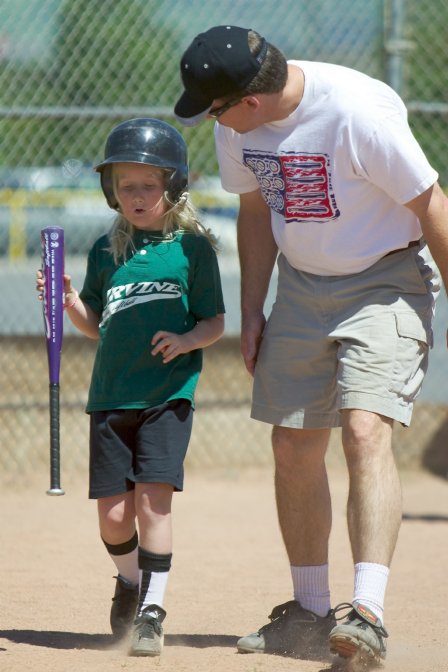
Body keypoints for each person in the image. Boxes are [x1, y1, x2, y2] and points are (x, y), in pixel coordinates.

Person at [174, 25, 448, 665]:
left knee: (364, 429)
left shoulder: (359, 115)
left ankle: (369, 614)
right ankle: (309, 611)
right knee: (292, 442)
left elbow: (432, 205)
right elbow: (254, 212)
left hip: (385, 280)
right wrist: (252, 310)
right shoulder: (237, 128)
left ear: (249, 99)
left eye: (214, 107)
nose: (211, 120)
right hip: (301, 284)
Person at [36, 118, 225, 657]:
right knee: (115, 517)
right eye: (126, 186)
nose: (137, 196)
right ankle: (129, 581)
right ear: (110, 190)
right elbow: (96, 323)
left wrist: (187, 339)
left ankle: (151, 612)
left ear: (173, 186)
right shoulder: (105, 251)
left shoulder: (193, 250)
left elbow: (213, 322)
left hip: (168, 396)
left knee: (153, 504)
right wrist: (68, 300)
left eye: (148, 185)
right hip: (110, 396)